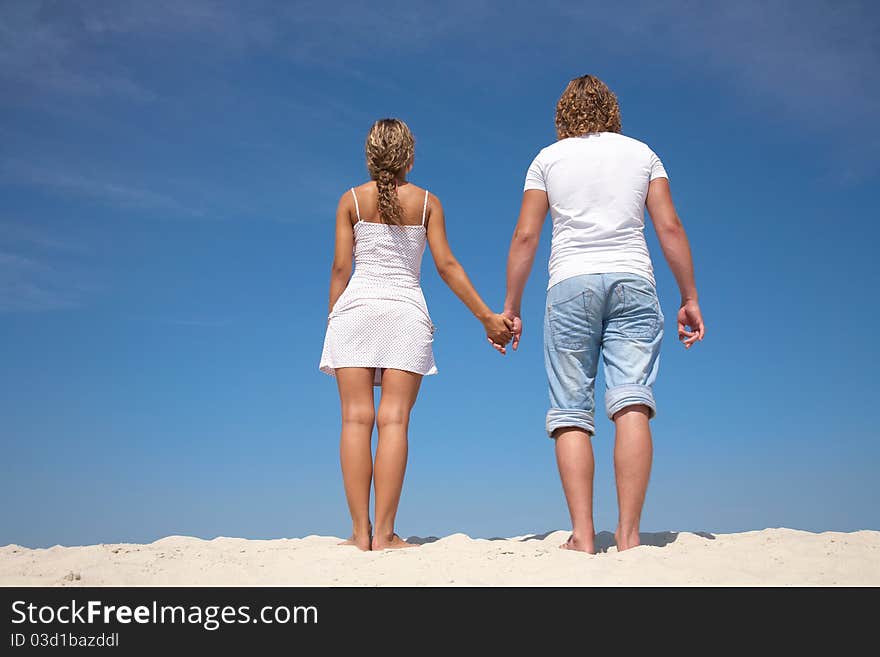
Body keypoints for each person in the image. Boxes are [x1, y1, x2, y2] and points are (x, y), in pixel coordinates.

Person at [500, 75, 706, 554]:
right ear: (612, 110)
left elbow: (526, 237)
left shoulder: (546, 160)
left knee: (571, 410)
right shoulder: (643, 154)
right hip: (634, 280)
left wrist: (511, 306)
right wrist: (689, 295)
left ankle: (584, 535)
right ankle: (630, 536)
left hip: (570, 283)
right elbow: (669, 226)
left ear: (563, 114)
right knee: (633, 401)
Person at [320, 118, 513, 551]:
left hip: (355, 311)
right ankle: (386, 535)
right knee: (394, 422)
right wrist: (485, 317)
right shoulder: (428, 203)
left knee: (354, 419)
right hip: (405, 314)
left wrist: (334, 317)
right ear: (409, 156)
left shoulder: (350, 200)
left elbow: (339, 268)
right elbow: (446, 266)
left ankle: (359, 533)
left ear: (370, 155)